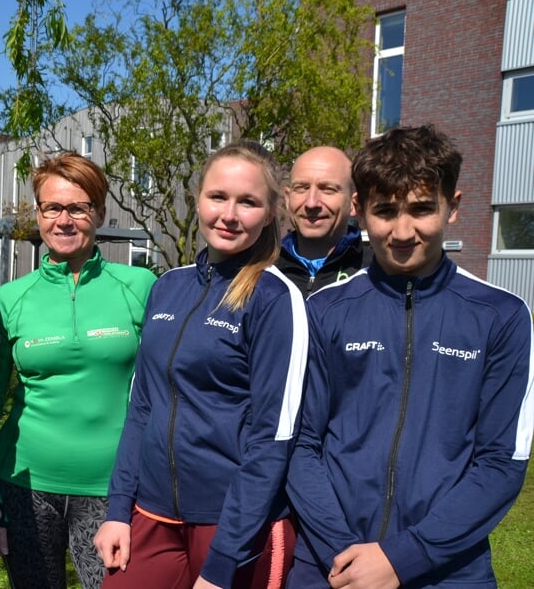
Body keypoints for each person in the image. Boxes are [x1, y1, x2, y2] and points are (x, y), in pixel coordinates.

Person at [286, 125, 534, 588]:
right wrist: (347, 554)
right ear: (360, 211)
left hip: (448, 570)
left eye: (422, 209)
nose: (403, 231)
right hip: (329, 566)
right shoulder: (323, 311)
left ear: (453, 206)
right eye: (385, 211)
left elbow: (501, 462)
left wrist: (403, 557)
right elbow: (301, 445)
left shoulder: (501, 316)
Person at [94, 140, 309, 588]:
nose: (229, 214)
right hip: (151, 514)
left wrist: (223, 562)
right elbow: (142, 407)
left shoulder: (274, 298)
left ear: (270, 212)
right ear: (199, 200)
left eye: (248, 201)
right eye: (218, 197)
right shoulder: (167, 287)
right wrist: (118, 511)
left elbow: (274, 438)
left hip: (232, 525)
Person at [0, 152, 157, 589]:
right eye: (53, 207)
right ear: (38, 213)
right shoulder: (10, 299)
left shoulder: (140, 287)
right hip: (24, 486)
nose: (64, 220)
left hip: (114, 489)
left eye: (78, 208)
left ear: (100, 213)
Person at [276, 146, 372, 297]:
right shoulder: (259, 273)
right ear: (287, 200)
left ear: (354, 204)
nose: (311, 203)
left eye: (328, 189)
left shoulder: (378, 275)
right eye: (301, 188)